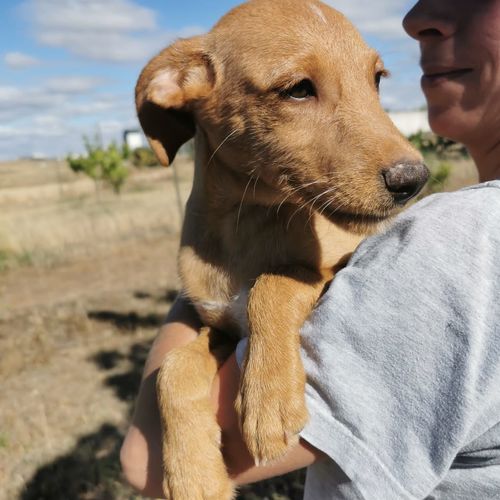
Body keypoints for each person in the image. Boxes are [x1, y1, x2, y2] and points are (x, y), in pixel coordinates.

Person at [120, 0, 500, 498]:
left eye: (372, 80)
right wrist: (182, 376)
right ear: (182, 86)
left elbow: (141, 462)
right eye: (300, 89)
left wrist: (273, 303)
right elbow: (228, 316)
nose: (417, 18)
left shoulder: (466, 244)